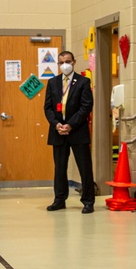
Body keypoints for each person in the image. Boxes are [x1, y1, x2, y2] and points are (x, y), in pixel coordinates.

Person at [43, 51, 95, 213]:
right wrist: (57, 124)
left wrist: (71, 125)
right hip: (58, 131)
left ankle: (88, 201)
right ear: (57, 65)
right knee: (59, 168)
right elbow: (48, 107)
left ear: (74, 62)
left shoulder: (83, 82)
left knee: (84, 167)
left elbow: (86, 107)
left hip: (77, 131)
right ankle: (59, 199)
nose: (64, 65)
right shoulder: (52, 83)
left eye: (67, 61)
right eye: (61, 62)